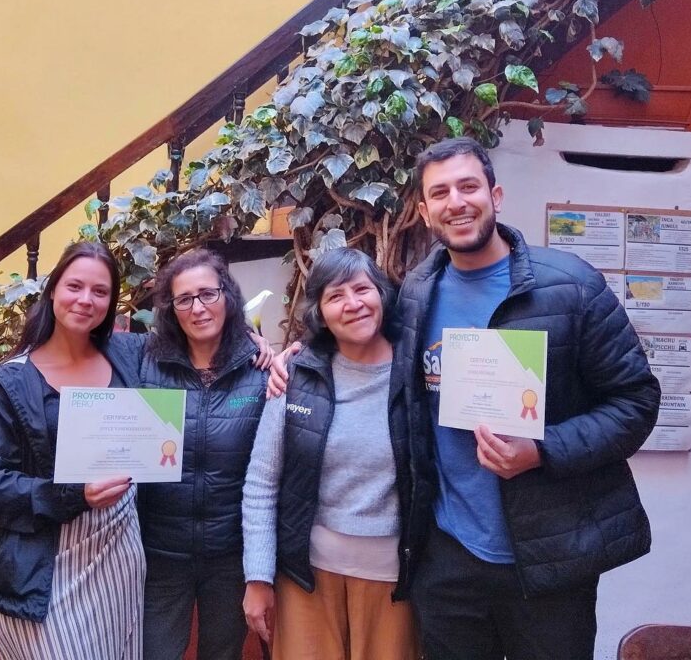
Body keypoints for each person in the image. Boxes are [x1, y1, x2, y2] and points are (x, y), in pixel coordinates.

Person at [400, 136, 661, 660]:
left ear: (495, 195)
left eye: (468, 186)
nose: (457, 202)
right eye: (441, 193)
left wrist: (542, 450)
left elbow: (636, 403)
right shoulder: (414, 293)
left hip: (550, 558)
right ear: (425, 212)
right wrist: (288, 357)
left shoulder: (572, 287)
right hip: (449, 556)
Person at [0, 241, 145, 660]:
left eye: (100, 292)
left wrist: (263, 347)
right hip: (44, 566)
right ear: (52, 290)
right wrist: (72, 494)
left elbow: (203, 341)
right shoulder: (10, 381)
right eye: (75, 286)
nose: (86, 300)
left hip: (119, 555)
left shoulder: (130, 356)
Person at [242, 248, 418, 660]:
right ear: (320, 311)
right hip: (306, 578)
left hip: (393, 583)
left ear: (382, 295)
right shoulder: (298, 376)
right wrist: (258, 577)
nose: (353, 304)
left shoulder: (419, 374)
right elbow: (261, 484)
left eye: (362, 289)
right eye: (336, 295)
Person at [138, 248, 271, 660]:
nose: (198, 308)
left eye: (208, 294)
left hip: (229, 558)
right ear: (170, 308)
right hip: (160, 555)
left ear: (227, 296)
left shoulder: (262, 370)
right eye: (184, 299)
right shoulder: (144, 363)